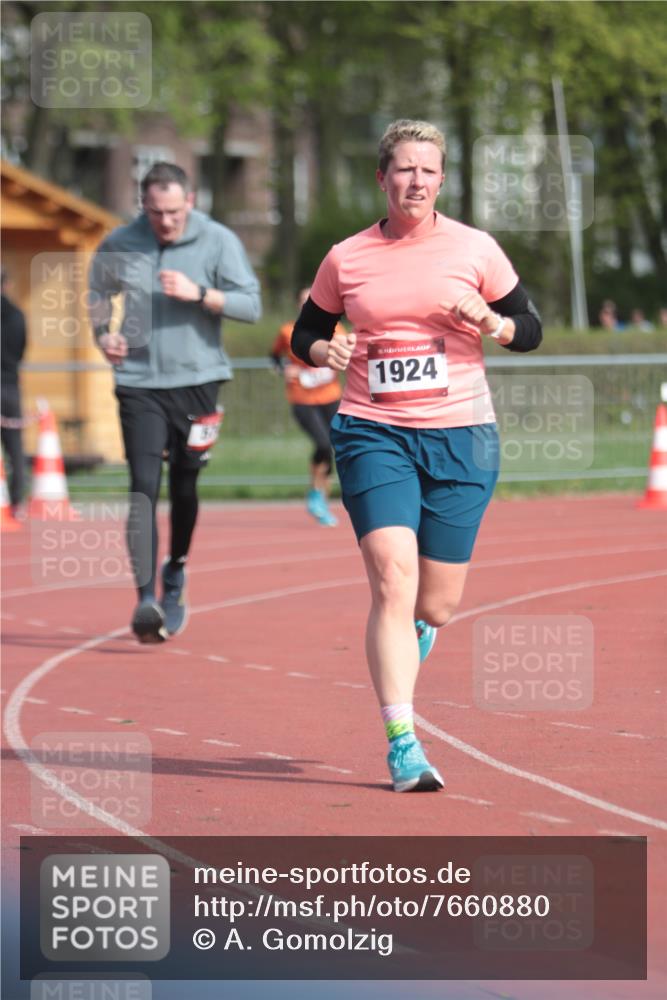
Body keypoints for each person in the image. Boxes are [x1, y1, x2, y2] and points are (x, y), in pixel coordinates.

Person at [291, 119, 542, 792]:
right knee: (391, 581)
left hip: (462, 435)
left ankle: (416, 637)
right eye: (403, 169)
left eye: (428, 171)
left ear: (440, 179)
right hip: (373, 430)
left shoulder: (475, 248)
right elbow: (308, 331)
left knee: (435, 605)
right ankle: (402, 742)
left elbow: (530, 331)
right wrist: (324, 350)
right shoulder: (347, 257)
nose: (416, 181)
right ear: (382, 177)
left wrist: (492, 322)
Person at [89, 162, 261, 643]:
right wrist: (105, 335)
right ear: (142, 205)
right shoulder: (121, 241)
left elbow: (251, 305)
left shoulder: (218, 240)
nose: (165, 221)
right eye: (155, 211)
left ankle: (176, 571)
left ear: (190, 200)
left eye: (173, 211)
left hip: (199, 383)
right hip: (139, 383)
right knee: (143, 487)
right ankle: (145, 599)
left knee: (185, 486)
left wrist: (201, 294)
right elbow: (97, 293)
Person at [270, 287, 343, 526]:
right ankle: (315, 493)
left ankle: (322, 496)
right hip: (302, 399)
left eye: (310, 300)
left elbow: (350, 353)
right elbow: (273, 357)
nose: (306, 304)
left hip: (330, 396)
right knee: (322, 443)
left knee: (333, 446)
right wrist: (283, 370)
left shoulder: (338, 329)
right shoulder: (287, 331)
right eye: (302, 301)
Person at [1, 268, 27, 517]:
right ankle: (17, 502)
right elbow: (21, 349)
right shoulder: (18, 315)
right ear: (6, 285)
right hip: (9, 384)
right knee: (14, 446)